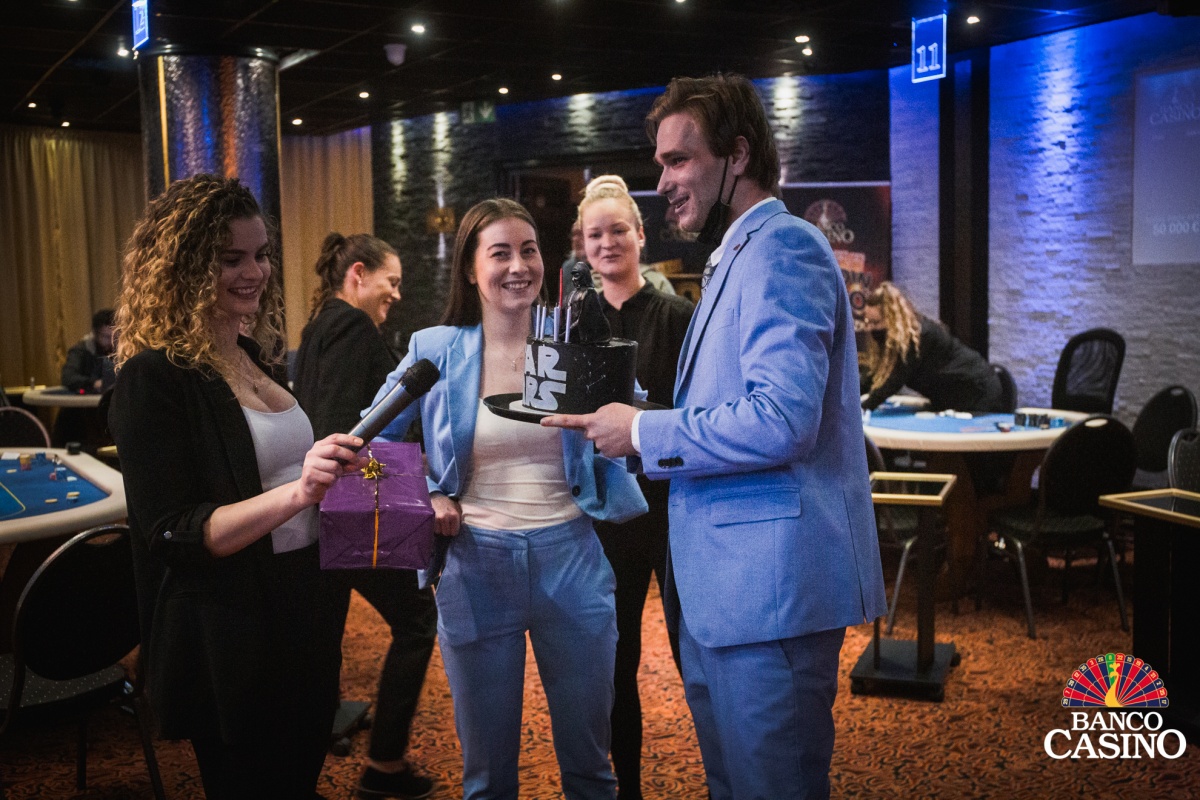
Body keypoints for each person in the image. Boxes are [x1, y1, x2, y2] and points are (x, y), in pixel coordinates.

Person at [542, 74, 888, 800]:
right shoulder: (734, 254)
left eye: (679, 160)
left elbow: (782, 419)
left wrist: (642, 429)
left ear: (738, 154)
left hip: (771, 595)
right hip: (728, 595)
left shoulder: (784, 247)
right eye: (661, 163)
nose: (663, 182)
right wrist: (621, 411)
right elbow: (728, 405)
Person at [370, 197, 648, 800]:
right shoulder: (436, 349)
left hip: (571, 559)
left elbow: (636, 421)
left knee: (591, 768)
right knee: (487, 777)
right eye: (500, 253)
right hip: (475, 563)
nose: (519, 266)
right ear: (471, 269)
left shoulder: (569, 341)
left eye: (529, 250)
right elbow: (370, 443)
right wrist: (427, 496)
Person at [108, 174, 364, 800]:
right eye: (231, 259)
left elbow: (286, 477)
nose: (254, 272)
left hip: (305, 608)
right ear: (185, 268)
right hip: (233, 632)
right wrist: (300, 492)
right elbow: (174, 532)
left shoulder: (256, 356)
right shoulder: (154, 376)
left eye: (261, 255)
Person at [293, 232, 437, 800]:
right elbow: (342, 428)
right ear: (358, 273)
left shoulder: (319, 325)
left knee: (323, 648)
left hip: (321, 511)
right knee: (418, 620)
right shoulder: (353, 327)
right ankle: (384, 765)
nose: (396, 294)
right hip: (348, 509)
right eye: (391, 281)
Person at [577, 174, 693, 800]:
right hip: (608, 514)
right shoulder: (575, 324)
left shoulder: (679, 317)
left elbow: (700, 416)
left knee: (693, 654)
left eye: (618, 229)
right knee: (613, 665)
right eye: (595, 234)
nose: (607, 243)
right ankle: (629, 789)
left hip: (676, 508)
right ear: (583, 244)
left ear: (641, 235)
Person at [859, 281, 1004, 413]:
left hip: (977, 392)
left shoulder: (918, 337)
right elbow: (874, 373)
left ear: (892, 319)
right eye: (868, 322)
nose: (870, 328)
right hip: (952, 397)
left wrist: (863, 408)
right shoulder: (892, 341)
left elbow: (895, 379)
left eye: (876, 322)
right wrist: (854, 397)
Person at [61, 308, 117, 393]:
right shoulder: (80, 350)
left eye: (114, 336)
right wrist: (93, 383)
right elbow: (68, 377)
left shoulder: (120, 349)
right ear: (95, 333)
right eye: (106, 337)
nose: (111, 341)